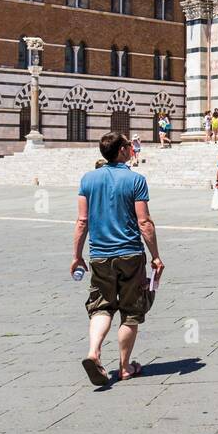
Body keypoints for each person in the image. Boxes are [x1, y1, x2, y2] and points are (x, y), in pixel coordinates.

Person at [71, 132, 164, 387]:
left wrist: (77, 256)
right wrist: (155, 256)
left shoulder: (88, 180)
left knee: (101, 306)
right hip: (130, 254)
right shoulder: (135, 180)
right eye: (128, 145)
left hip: (99, 255)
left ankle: (94, 352)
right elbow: (144, 222)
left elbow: (82, 221)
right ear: (122, 150)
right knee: (131, 311)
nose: (131, 148)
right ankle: (124, 367)